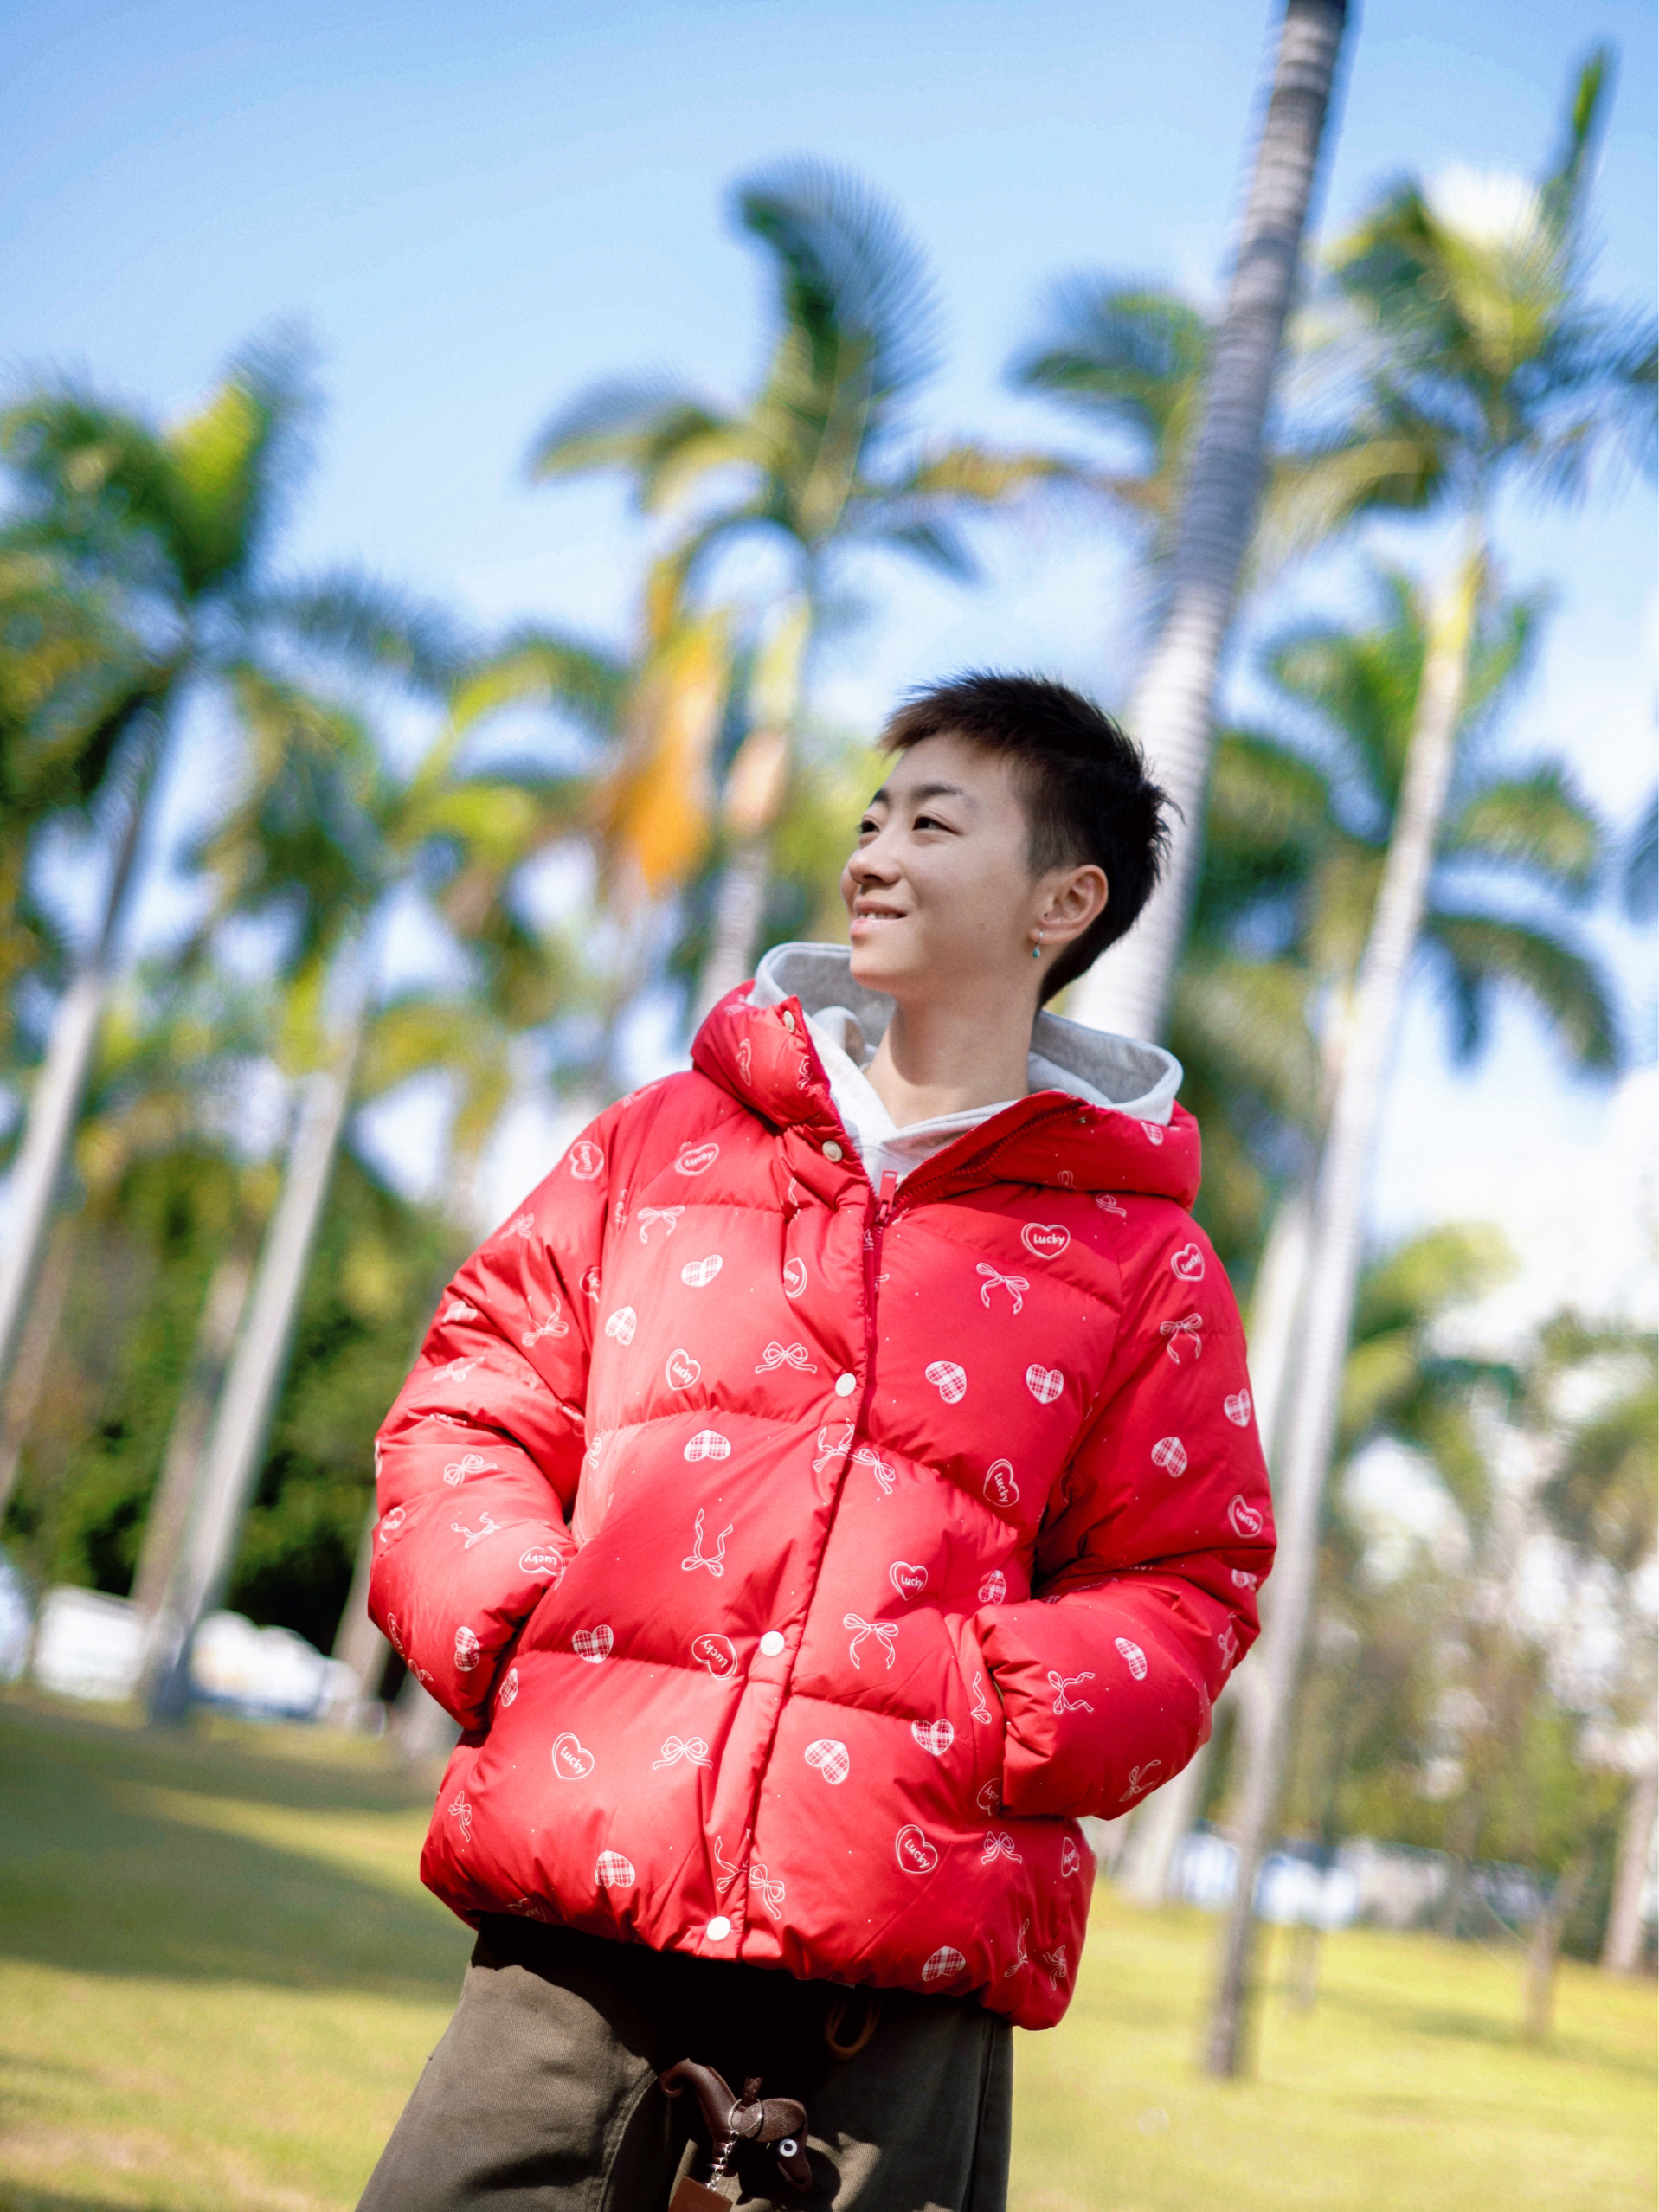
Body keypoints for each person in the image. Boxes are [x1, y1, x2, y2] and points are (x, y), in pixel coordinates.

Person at [358, 672, 1275, 2211]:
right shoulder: (665, 1141)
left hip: (898, 1970)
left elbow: (1191, 1576)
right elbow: (475, 1394)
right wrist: (518, 1615)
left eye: (932, 824)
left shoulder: (1142, 1262)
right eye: (869, 819)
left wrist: (990, 1713)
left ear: (1064, 901)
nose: (872, 856)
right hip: (580, 1921)